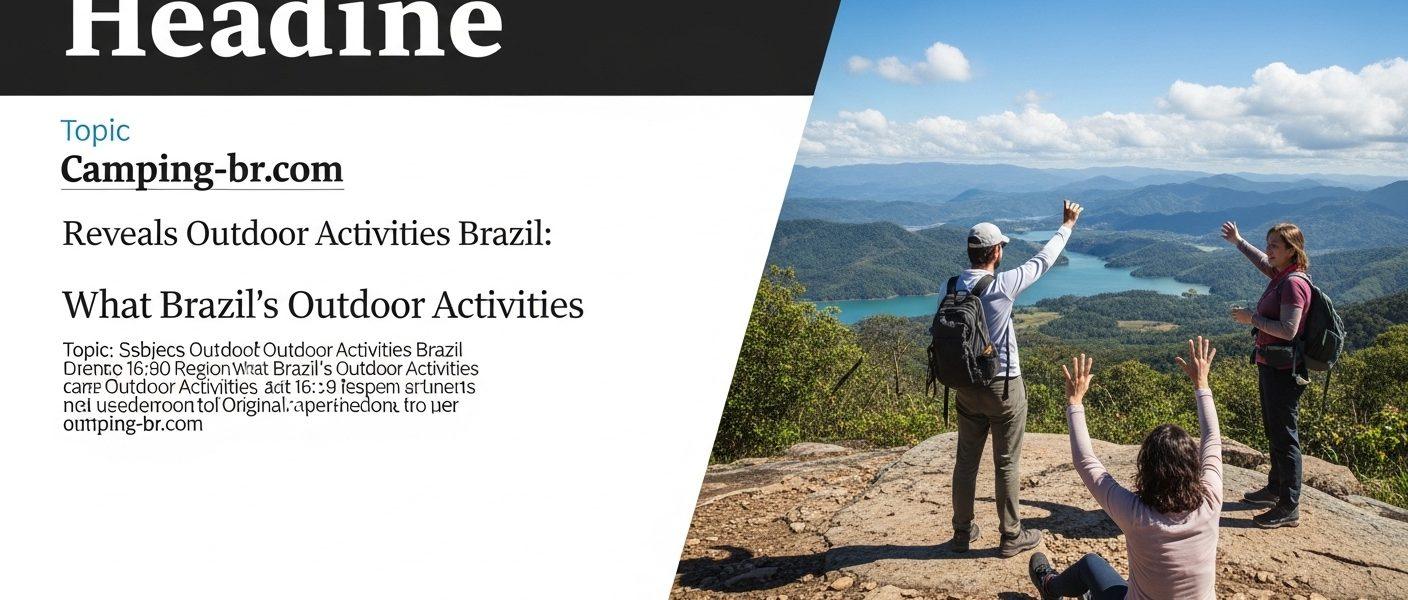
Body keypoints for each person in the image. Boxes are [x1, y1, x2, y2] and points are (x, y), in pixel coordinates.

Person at [1027, 337, 1223, 599]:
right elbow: (1212, 438)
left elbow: (1086, 461)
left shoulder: (1136, 514)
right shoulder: (1211, 501)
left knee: (1090, 564)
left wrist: (1074, 402)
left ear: (1146, 469)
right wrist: (1202, 384)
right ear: (1193, 465)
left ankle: (1050, 587)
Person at [950, 199, 1083, 558]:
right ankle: (1010, 535)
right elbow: (1043, 260)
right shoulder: (1002, 285)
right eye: (1002, 247)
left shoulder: (953, 286)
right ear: (995, 251)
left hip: (965, 387)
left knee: (966, 462)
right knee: (1006, 462)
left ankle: (962, 533)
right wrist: (1067, 225)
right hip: (1003, 385)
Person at [1221, 221, 1311, 528]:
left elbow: (1288, 330)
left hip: (1284, 371)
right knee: (1274, 430)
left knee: (1285, 436)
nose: (1269, 249)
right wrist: (1238, 241)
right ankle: (1275, 488)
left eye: (1275, 245)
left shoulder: (1293, 284)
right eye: (1268, 243)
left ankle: (1289, 505)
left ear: (1291, 250)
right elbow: (1261, 261)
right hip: (1270, 365)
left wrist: (1252, 318)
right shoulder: (1280, 275)